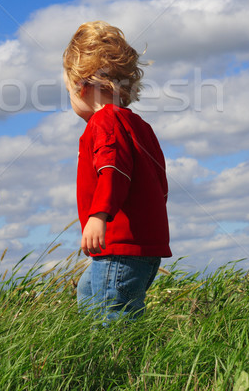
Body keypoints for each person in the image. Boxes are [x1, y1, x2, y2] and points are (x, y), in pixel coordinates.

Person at [63, 20, 172, 323]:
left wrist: (99, 216)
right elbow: (160, 182)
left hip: (118, 243)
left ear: (82, 86)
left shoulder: (104, 122)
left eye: (69, 91)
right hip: (143, 246)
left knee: (114, 321)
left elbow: (112, 170)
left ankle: (118, 368)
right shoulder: (138, 125)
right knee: (89, 293)